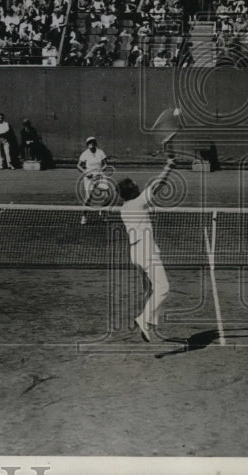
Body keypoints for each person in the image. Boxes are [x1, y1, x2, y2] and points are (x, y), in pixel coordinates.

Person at [118, 157, 177, 342]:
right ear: (133, 191)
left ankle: (148, 321)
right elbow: (158, 184)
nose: (139, 186)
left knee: (151, 289)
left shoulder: (124, 208)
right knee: (164, 288)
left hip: (135, 254)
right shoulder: (139, 202)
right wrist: (169, 166)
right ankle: (143, 319)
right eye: (136, 185)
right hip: (146, 251)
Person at [77, 135, 109, 222]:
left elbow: (105, 164)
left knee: (107, 195)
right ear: (87, 145)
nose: (91, 144)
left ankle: (103, 212)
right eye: (89, 143)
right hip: (89, 177)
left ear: (95, 143)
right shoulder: (85, 154)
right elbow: (78, 166)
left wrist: (101, 170)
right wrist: (86, 173)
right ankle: (84, 216)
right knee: (88, 198)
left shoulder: (100, 152)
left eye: (93, 142)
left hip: (100, 176)